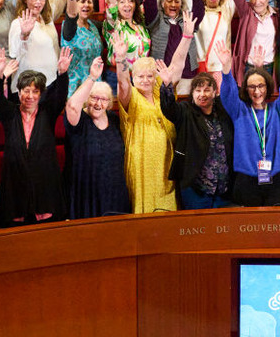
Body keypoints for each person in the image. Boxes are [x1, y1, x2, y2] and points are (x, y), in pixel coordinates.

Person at [114, 16, 194, 214]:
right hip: (142, 163)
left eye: (150, 75)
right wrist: (121, 59)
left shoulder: (160, 91)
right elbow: (123, 82)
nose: (146, 80)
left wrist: (186, 37)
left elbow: (176, 66)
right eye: (140, 76)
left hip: (168, 160)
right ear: (134, 77)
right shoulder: (130, 96)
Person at [0, 47, 71, 224]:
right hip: (15, 179)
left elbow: (60, 95)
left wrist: (62, 73)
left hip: (44, 178)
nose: (30, 96)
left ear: (41, 94)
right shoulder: (10, 113)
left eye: (35, 92)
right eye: (25, 90)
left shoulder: (48, 112)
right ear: (18, 92)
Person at [220, 40, 280, 206]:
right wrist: (226, 70)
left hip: (274, 179)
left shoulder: (277, 110)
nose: (257, 91)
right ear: (245, 89)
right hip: (246, 180)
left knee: (277, 226)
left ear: (267, 87)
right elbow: (228, 94)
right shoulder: (239, 111)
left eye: (261, 86)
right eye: (251, 87)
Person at [160, 47, 236, 210]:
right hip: (196, 190)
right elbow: (169, 108)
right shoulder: (185, 111)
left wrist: (226, 68)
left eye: (207, 90)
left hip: (224, 190)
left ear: (215, 92)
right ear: (192, 93)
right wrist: (167, 85)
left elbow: (233, 96)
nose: (203, 94)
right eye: (198, 90)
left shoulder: (224, 111)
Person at [64, 58, 130, 218]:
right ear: (87, 99)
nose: (98, 103)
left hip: (115, 193)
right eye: (94, 98)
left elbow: (126, 90)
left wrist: (122, 60)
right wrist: (92, 77)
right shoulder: (79, 121)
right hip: (87, 194)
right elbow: (72, 105)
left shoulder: (114, 119)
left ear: (109, 103)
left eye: (103, 99)